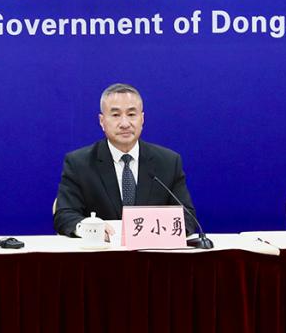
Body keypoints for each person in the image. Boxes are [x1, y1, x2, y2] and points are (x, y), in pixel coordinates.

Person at [54, 83, 197, 239]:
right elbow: (64, 215)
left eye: (131, 114)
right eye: (116, 115)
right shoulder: (79, 163)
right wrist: (90, 229)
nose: (124, 123)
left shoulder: (168, 162)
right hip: (100, 251)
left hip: (153, 251)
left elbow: (187, 217)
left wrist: (152, 232)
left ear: (142, 119)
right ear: (102, 121)